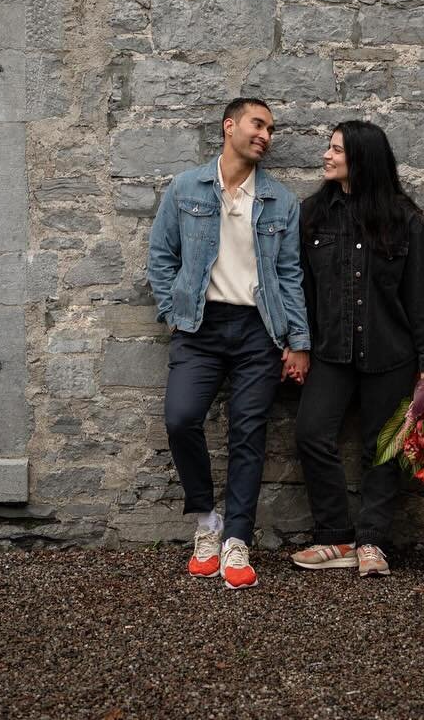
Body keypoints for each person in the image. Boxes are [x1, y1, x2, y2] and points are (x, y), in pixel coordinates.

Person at [147, 97, 311, 590]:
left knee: (248, 433)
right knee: (180, 419)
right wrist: (172, 311)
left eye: (271, 129)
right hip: (199, 328)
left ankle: (237, 539)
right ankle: (206, 523)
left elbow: (288, 275)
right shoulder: (186, 188)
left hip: (259, 330)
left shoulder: (280, 201)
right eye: (258, 124)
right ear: (230, 126)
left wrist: (297, 342)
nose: (266, 135)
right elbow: (161, 256)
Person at [289, 120, 424, 578]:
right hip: (329, 353)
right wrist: (297, 343)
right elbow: (300, 288)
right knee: (311, 433)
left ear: (360, 158)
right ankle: (334, 537)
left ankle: (372, 541)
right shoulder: (313, 214)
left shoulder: (403, 218)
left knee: (385, 447)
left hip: (390, 353)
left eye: (336, 149)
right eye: (328, 147)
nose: (326, 156)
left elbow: (422, 295)